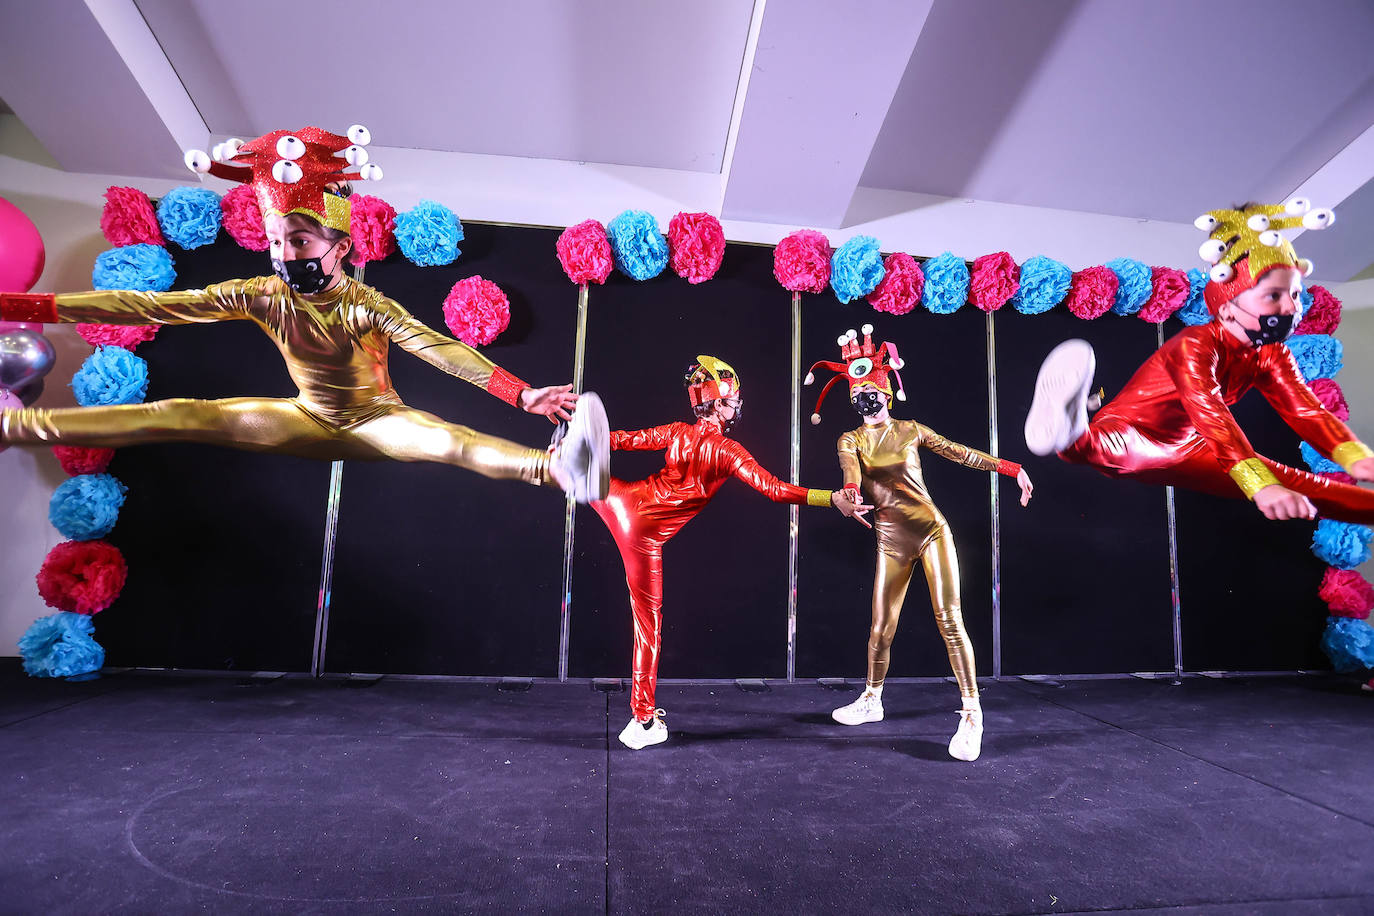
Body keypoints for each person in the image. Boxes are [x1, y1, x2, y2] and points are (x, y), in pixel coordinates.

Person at [0, 125, 609, 501]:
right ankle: (12, 428)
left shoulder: (367, 305)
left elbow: (436, 348)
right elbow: (151, 305)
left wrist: (520, 394)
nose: (283, 254)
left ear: (340, 248)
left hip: (376, 422)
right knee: (176, 414)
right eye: (274, 241)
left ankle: (558, 471)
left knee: (446, 440)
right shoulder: (261, 293)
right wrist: (23, 304)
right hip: (302, 418)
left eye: (298, 241)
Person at [1024, 199, 1374, 522]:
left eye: (1296, 294)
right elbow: (1209, 410)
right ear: (1227, 305)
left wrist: (1355, 457)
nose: (1292, 308)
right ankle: (1069, 432)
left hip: (1197, 446)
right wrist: (1260, 485)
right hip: (1139, 431)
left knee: (1306, 487)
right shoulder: (1196, 344)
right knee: (1121, 452)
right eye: (1274, 296)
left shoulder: (1271, 353)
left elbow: (1305, 409)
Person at [592, 355, 870, 750]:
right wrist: (830, 498)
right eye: (733, 399)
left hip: (623, 501)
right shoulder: (728, 451)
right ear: (718, 403)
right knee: (647, 630)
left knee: (562, 468)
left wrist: (583, 432)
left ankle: (551, 460)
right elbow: (773, 488)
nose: (737, 405)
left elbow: (620, 439)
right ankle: (642, 720)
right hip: (646, 538)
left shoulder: (675, 432)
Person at [806, 324, 1032, 762]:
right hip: (890, 540)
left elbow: (960, 452)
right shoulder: (850, 438)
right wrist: (850, 496)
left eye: (870, 390)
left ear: (885, 391)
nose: (864, 400)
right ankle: (872, 698)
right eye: (857, 394)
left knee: (950, 620)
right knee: (880, 627)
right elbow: (850, 473)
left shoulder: (911, 430)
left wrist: (1010, 468)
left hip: (930, 530)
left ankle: (971, 714)